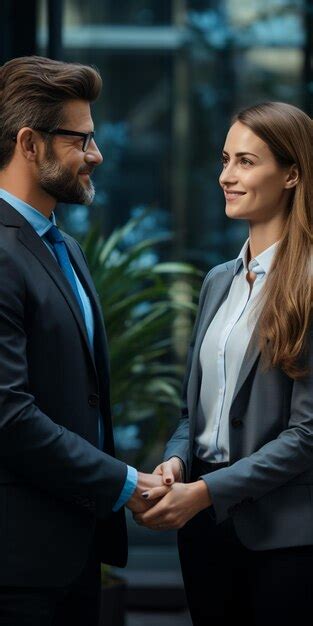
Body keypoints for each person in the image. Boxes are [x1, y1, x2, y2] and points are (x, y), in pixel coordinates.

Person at [0, 55, 168, 626]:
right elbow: (8, 413)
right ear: (29, 143)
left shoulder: (63, 247)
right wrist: (123, 482)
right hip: (16, 567)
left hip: (76, 554)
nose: (96, 155)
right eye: (82, 140)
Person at [136, 101, 313, 626]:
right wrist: (176, 461)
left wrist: (208, 490)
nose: (226, 177)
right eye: (224, 159)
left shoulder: (308, 285)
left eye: (245, 162)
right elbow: (197, 412)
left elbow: (308, 433)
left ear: (293, 174)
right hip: (204, 523)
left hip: (283, 538)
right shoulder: (218, 280)